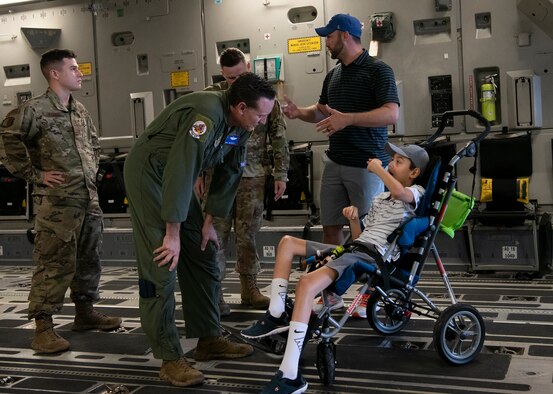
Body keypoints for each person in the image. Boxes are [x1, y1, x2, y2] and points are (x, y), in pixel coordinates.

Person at [123, 72, 276, 387]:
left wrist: (208, 223)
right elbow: (182, 170)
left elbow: (231, 171)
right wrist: (172, 234)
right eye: (260, 115)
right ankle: (170, 358)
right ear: (240, 106)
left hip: (176, 178)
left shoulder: (241, 124)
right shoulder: (205, 114)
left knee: (204, 252)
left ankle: (208, 338)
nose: (262, 121)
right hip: (150, 174)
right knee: (162, 262)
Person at [242, 142, 429, 393]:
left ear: (414, 173)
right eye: (392, 159)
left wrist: (377, 170)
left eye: (398, 161)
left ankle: (290, 375)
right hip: (356, 248)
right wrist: (353, 220)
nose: (391, 164)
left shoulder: (416, 193)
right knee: (287, 243)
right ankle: (275, 314)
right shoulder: (380, 197)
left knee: (307, 285)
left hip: (374, 257)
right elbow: (359, 235)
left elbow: (401, 193)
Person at [0, 49, 122, 354]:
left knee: (88, 258)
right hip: (56, 203)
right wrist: (35, 174)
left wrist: (91, 174)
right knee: (53, 261)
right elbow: (7, 139)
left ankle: (85, 313)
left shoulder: (79, 110)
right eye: (73, 68)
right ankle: (43, 327)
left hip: (87, 199)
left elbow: (92, 144)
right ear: (55, 73)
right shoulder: (34, 110)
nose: (80, 73)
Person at [281, 13, 400, 316]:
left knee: (370, 237)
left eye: (329, 36)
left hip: (367, 166)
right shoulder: (333, 75)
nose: (326, 41)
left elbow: (390, 114)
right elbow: (322, 113)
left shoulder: (378, 70)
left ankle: (370, 295)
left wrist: (349, 119)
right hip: (335, 163)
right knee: (332, 229)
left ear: (345, 35)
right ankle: (332, 294)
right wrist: (299, 113)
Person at [198, 48, 289, 315]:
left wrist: (280, 173)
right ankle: (215, 295)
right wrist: (197, 174)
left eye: (239, 76)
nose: (234, 83)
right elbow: (200, 140)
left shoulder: (264, 96)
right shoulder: (213, 95)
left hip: (253, 176)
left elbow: (279, 137)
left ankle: (250, 290)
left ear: (247, 66)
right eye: (229, 78)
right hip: (218, 178)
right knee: (216, 236)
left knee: (247, 236)